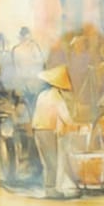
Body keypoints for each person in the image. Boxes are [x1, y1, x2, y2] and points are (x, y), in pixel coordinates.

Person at [31, 66, 76, 198]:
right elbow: (66, 117)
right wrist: (75, 126)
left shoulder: (42, 95)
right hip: (48, 131)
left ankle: (49, 188)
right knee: (52, 162)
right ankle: (51, 191)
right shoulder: (57, 99)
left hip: (38, 130)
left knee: (47, 162)